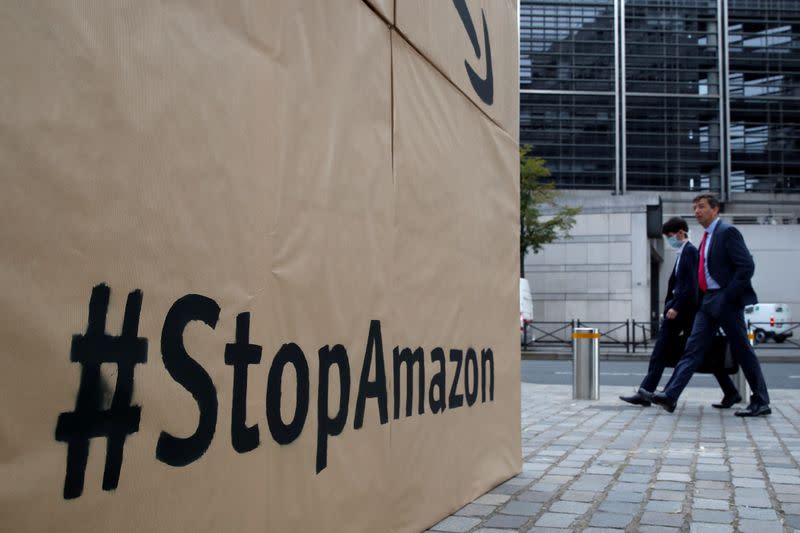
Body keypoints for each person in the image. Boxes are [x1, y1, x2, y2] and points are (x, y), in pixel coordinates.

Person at [653, 194, 771, 417]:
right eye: (695, 207)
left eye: (702, 207)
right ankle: (671, 395)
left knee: (742, 350)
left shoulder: (727, 232)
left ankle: (761, 400)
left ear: (715, 210)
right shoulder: (706, 237)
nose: (697, 211)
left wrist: (728, 296)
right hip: (707, 301)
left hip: (725, 300)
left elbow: (746, 266)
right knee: (692, 348)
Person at [619, 217, 739, 408]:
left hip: (683, 313)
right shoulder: (682, 252)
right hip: (682, 313)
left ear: (681, 233)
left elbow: (691, 285)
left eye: (670, 235)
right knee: (695, 353)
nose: (669, 239)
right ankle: (730, 392)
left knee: (673, 353)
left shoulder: (690, 252)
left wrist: (676, 307)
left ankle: (659, 394)